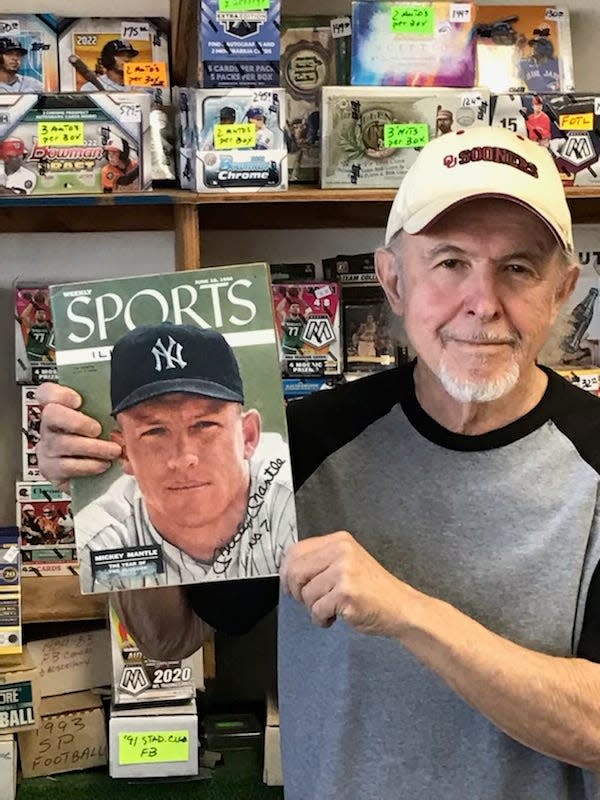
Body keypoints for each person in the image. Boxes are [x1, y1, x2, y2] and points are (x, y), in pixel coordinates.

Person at [36, 125, 600, 799]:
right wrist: (112, 480)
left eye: (518, 267)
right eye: (450, 263)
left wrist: (412, 613)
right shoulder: (303, 443)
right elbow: (168, 639)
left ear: (561, 289)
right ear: (392, 279)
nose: (482, 303)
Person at [63, 322, 295, 592]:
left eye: (204, 425)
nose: (183, 458)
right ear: (124, 452)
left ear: (248, 436)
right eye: (155, 431)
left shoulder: (294, 494)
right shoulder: (102, 538)